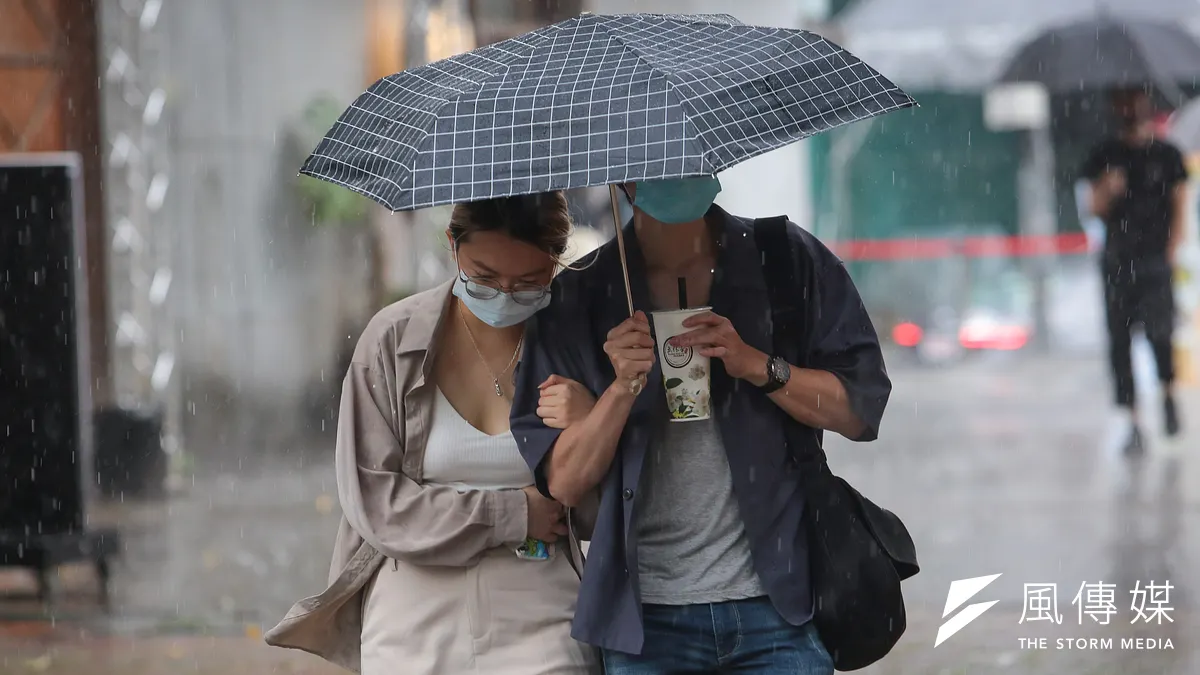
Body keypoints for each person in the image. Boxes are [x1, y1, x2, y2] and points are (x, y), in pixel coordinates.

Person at [511, 177, 892, 674]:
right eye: (658, 162)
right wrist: (621, 387)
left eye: (690, 158)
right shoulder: (580, 293)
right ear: (625, 180)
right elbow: (562, 481)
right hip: (645, 622)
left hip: (780, 609)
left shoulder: (784, 257)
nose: (679, 172)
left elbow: (859, 410)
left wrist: (758, 365)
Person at [265, 193, 601, 675]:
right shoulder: (393, 339)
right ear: (452, 244)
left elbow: (605, 504)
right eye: (484, 278)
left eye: (528, 283)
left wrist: (602, 411)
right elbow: (374, 501)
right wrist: (510, 514)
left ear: (555, 264)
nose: (505, 295)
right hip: (413, 609)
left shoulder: (576, 343)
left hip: (543, 605)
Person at [1081, 87, 1189, 452]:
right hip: (1116, 264)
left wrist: (1170, 254)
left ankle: (1168, 395)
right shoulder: (1104, 155)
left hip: (1154, 262)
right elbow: (1093, 208)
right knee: (1120, 344)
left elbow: (1180, 208)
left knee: (1162, 335)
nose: (1129, 109)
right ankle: (1133, 421)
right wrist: (1108, 190)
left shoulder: (1167, 155)